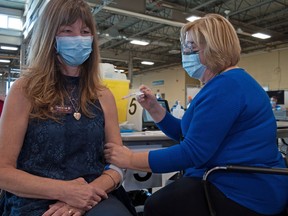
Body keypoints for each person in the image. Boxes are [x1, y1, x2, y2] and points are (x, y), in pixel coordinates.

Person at [105, 13, 288, 216]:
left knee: (156, 205)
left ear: (214, 48)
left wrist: (130, 159)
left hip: (244, 190)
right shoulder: (227, 83)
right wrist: (154, 109)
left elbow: (192, 152)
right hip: (243, 181)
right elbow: (188, 134)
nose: (185, 52)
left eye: (191, 46)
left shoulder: (226, 87)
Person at [0, 0, 136, 215]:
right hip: (35, 200)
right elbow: (3, 172)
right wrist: (66, 191)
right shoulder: (24, 90)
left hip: (95, 196)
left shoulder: (103, 95)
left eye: (84, 31)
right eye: (67, 31)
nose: (78, 38)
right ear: (50, 37)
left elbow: (118, 165)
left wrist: (86, 194)